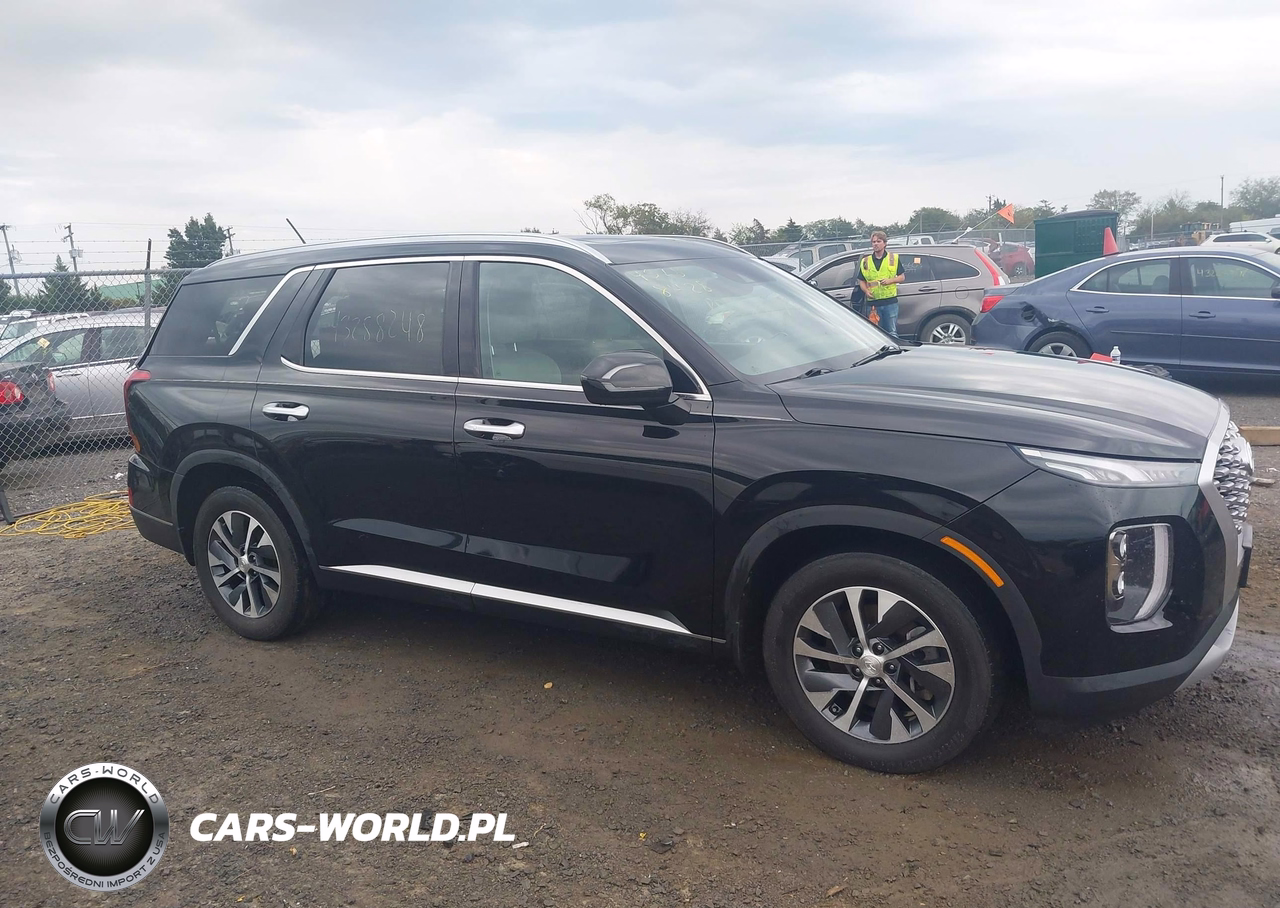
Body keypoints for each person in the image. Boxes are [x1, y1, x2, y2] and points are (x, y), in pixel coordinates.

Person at [857, 231, 906, 337]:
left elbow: (902, 277)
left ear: (885, 243)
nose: (875, 244)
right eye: (873, 242)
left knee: (891, 332)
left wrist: (890, 281)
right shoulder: (865, 261)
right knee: (876, 334)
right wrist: (866, 291)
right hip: (873, 303)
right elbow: (861, 280)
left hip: (890, 302)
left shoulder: (893, 258)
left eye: (878, 241)